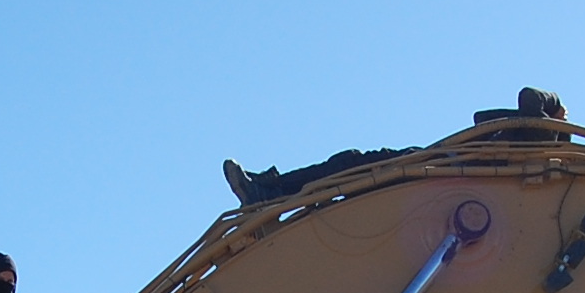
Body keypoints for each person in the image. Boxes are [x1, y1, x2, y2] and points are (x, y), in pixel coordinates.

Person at [222, 87, 567, 205]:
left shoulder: (540, 137)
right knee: (350, 164)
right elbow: (486, 116)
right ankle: (272, 188)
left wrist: (554, 108)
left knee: (351, 170)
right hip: (431, 162)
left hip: (434, 172)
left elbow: (529, 95)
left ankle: (271, 192)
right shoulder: (534, 135)